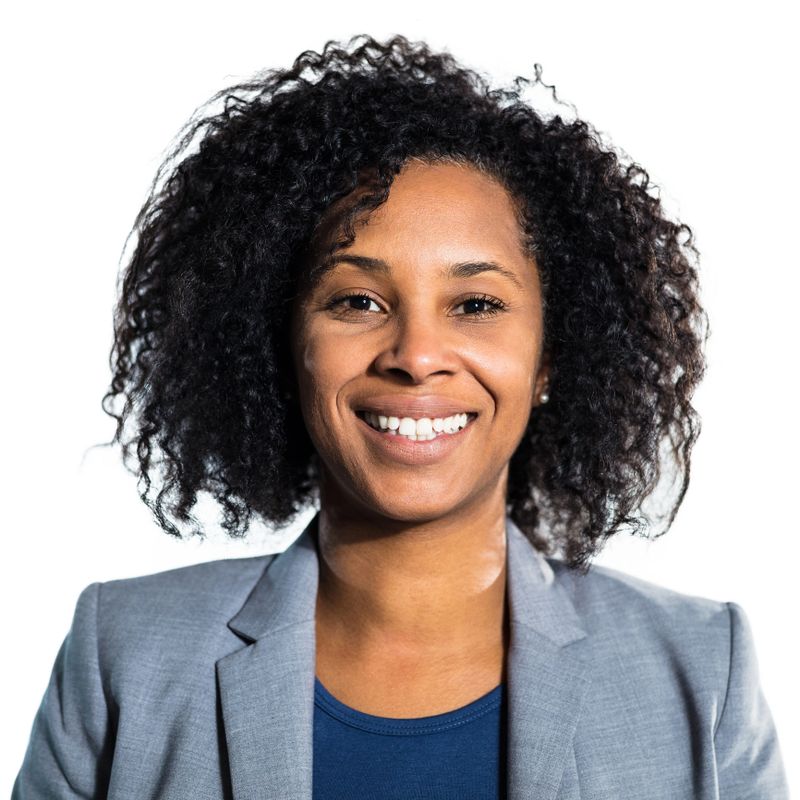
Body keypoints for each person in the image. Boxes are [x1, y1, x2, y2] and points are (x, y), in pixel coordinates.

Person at [13, 33, 789, 799]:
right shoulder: (123, 652)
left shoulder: (700, 667)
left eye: (477, 304)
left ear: (554, 357)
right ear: (279, 342)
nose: (417, 355)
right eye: (357, 300)